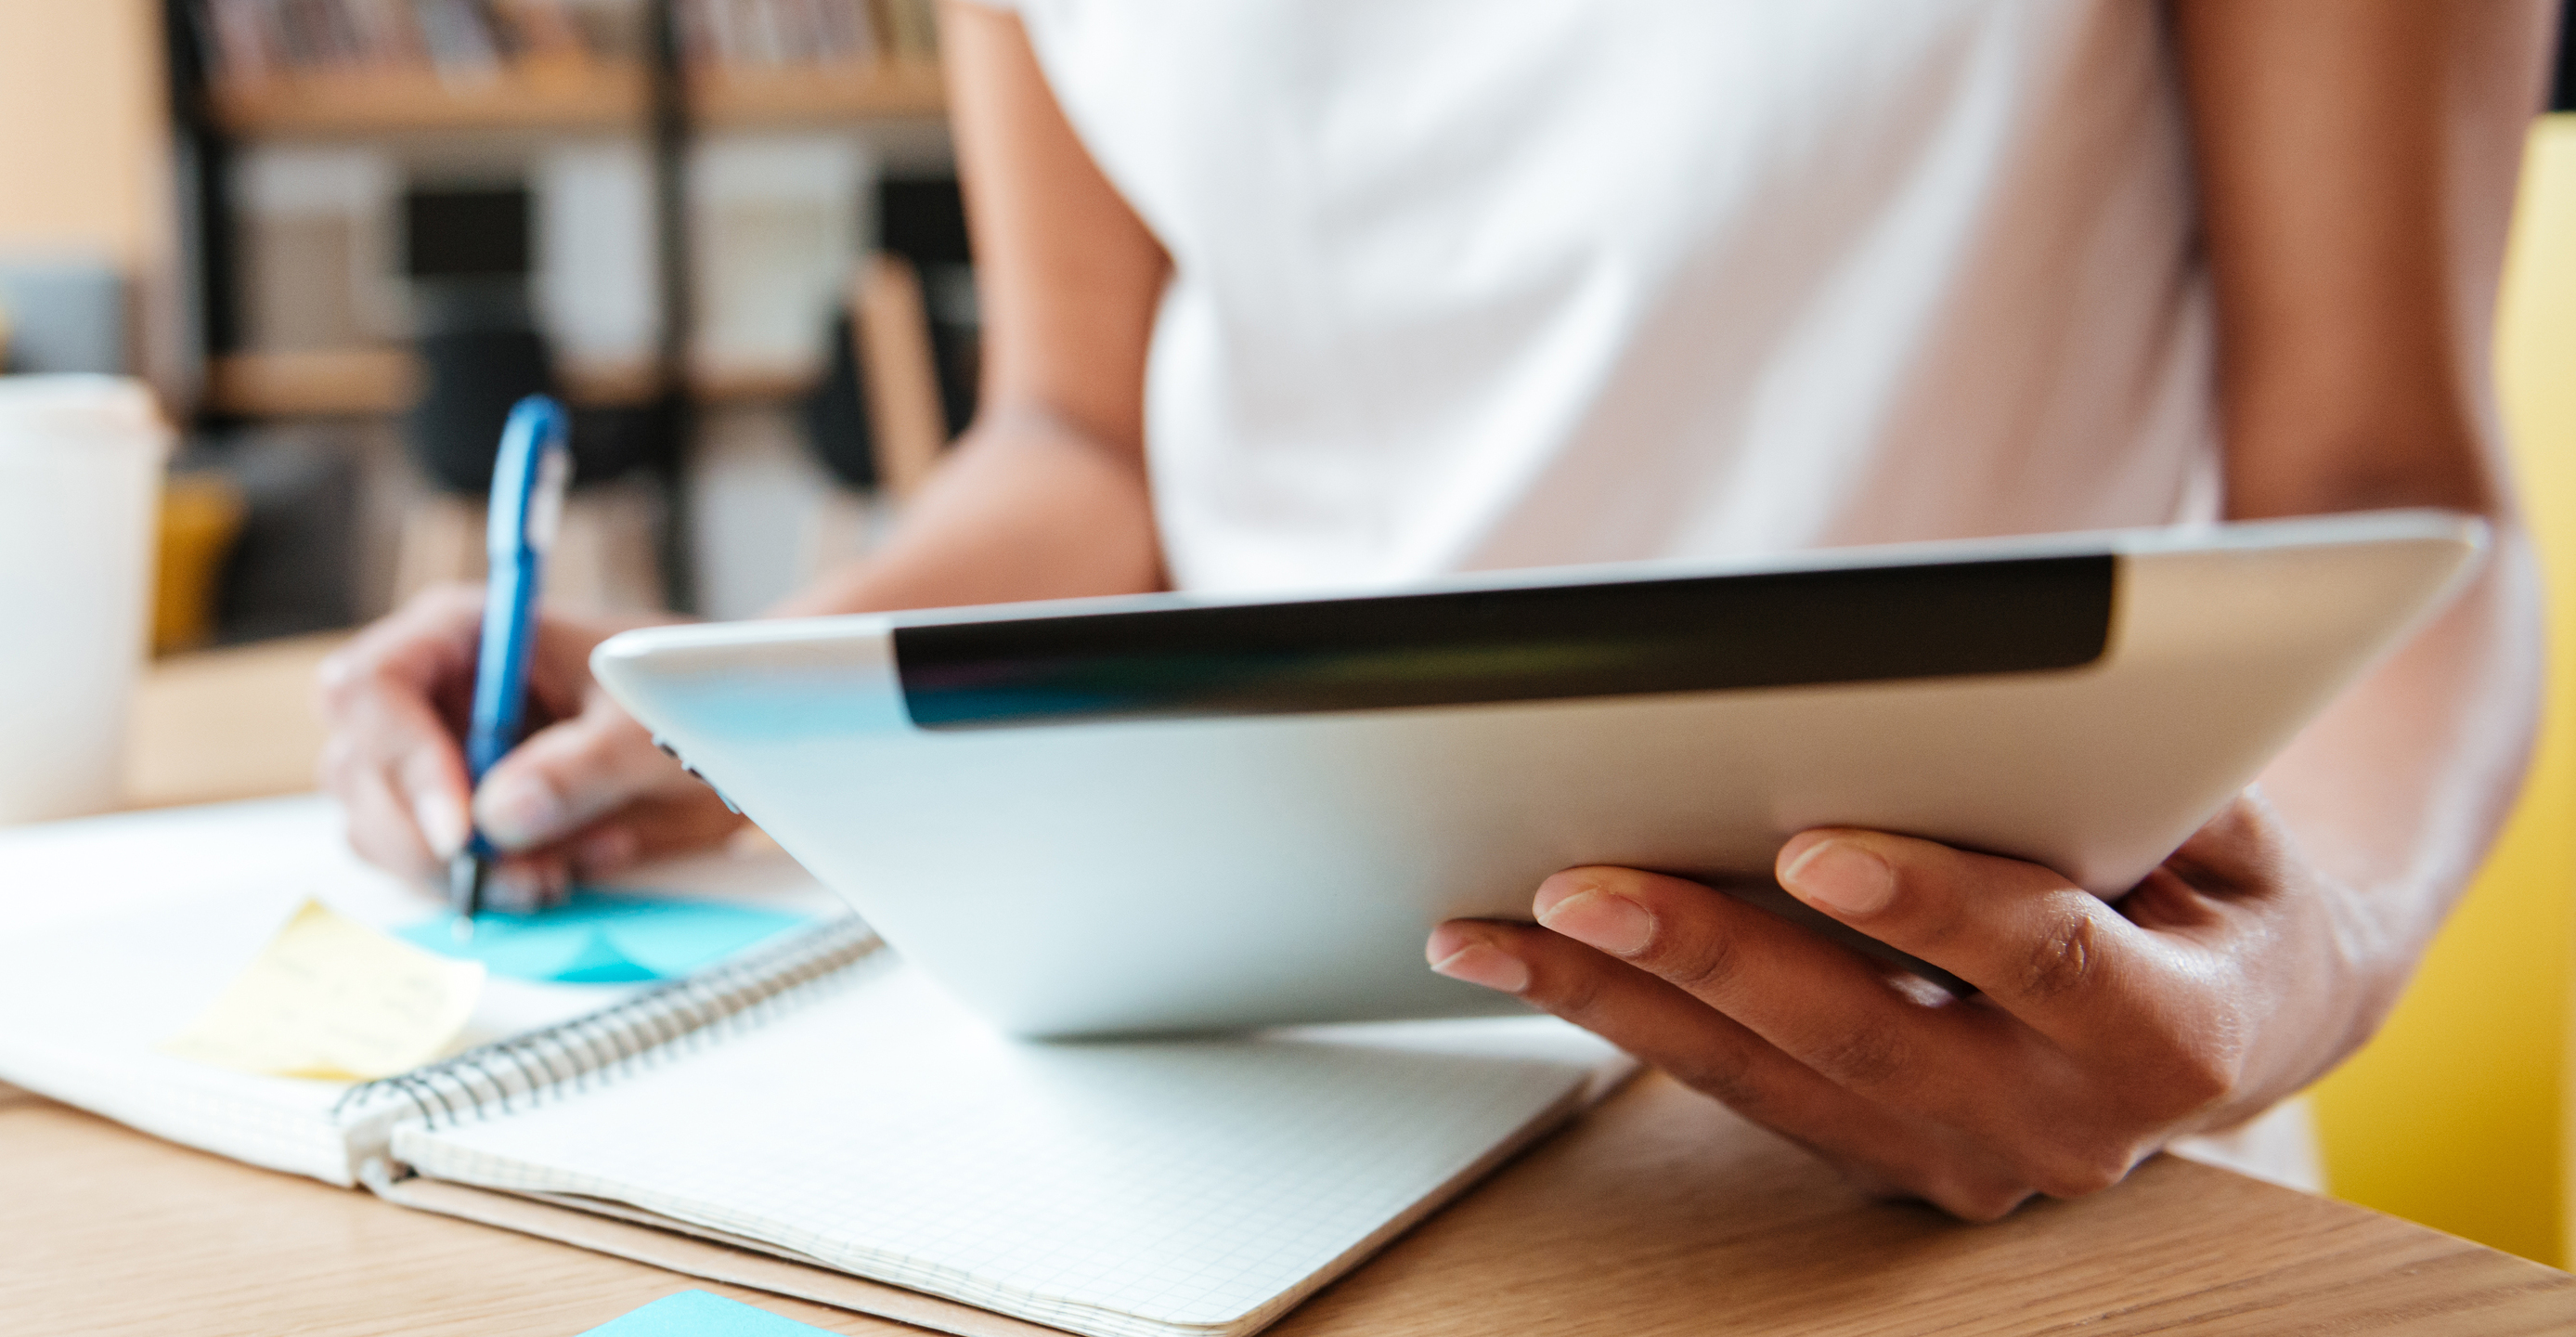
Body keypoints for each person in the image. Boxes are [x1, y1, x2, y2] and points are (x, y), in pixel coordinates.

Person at [317, 0, 2553, 1220]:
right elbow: (1086, 441)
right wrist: (727, 709)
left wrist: (2317, 962)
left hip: (1988, 1112)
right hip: (1258, 1102)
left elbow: (2383, 482)